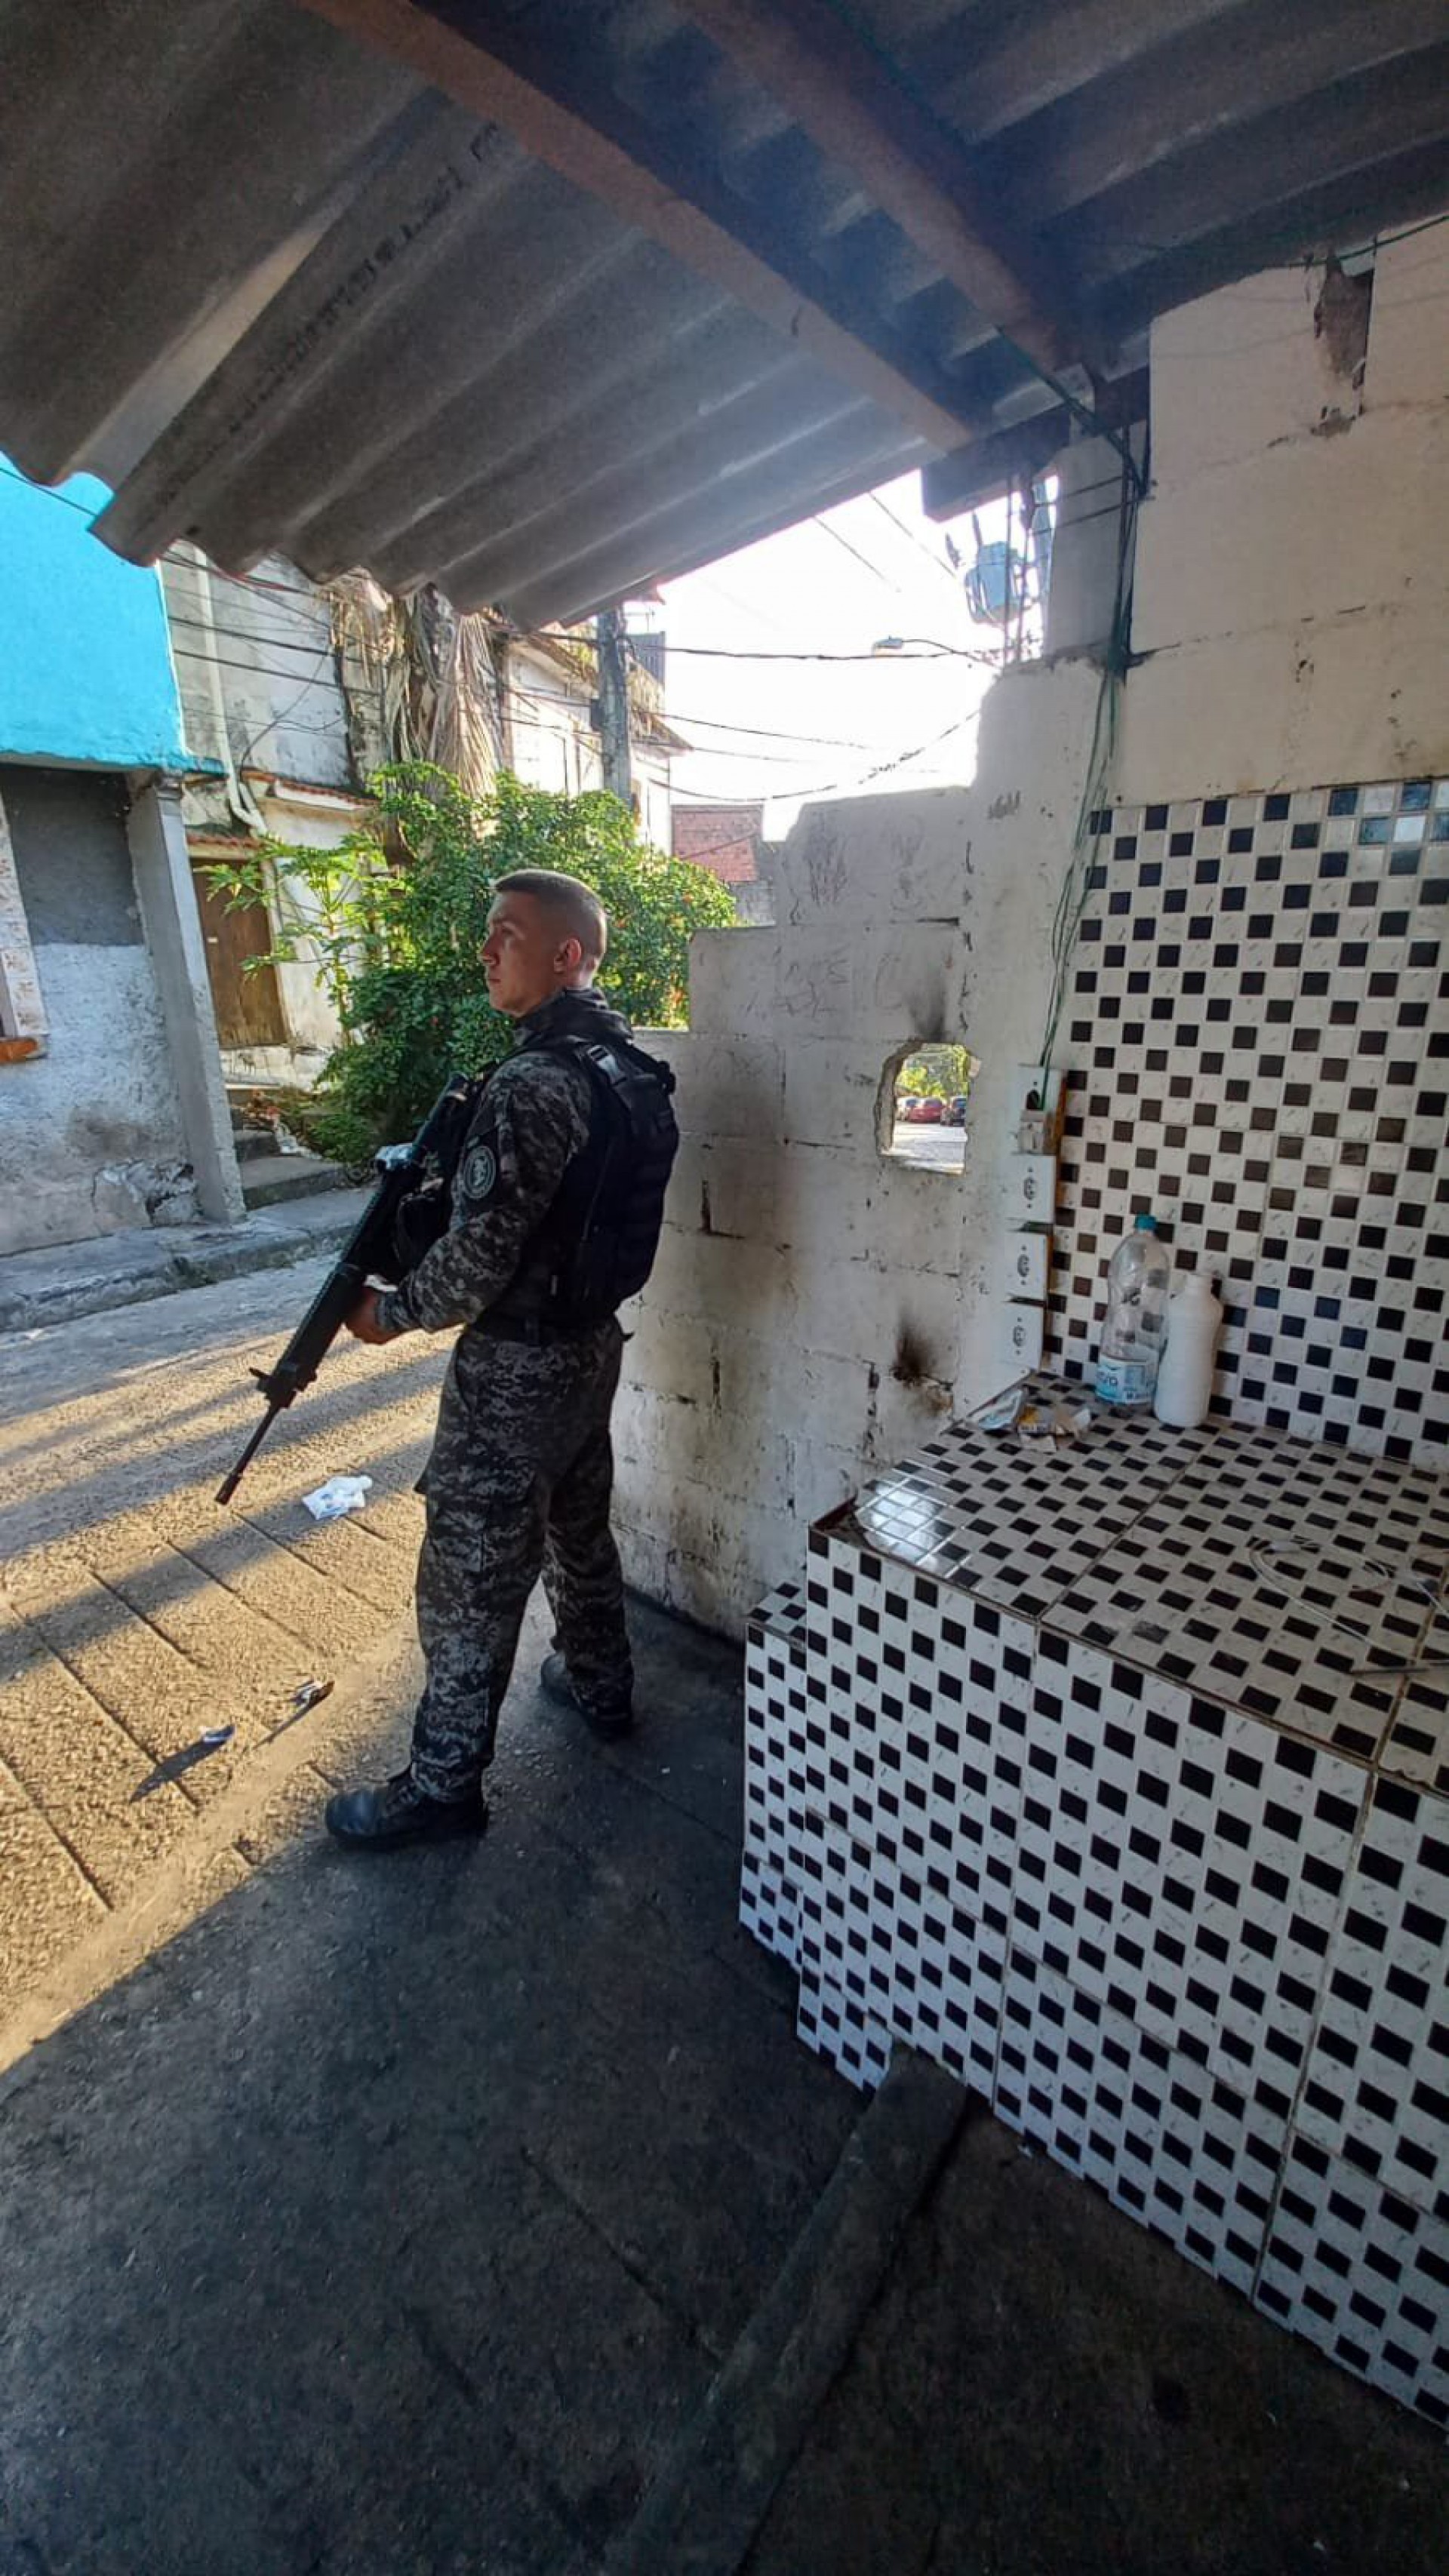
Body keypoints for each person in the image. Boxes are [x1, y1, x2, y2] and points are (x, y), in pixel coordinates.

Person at [323, 867, 677, 1852]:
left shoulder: (533, 1083)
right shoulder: (628, 1073)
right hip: (589, 1348)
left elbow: (479, 1257)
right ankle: (604, 1688)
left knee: (471, 1577)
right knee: (577, 1528)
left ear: (566, 955)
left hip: (517, 1367)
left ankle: (441, 1787)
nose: (486, 951)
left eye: (507, 935)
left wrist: (388, 1313)